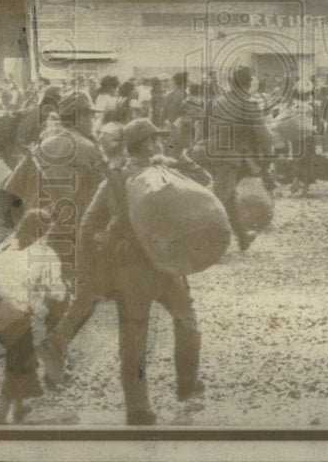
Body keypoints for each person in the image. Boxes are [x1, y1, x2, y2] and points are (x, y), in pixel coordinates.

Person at [40, 118, 207, 425]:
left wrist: (93, 265)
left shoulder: (114, 179)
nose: (160, 144)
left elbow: (88, 225)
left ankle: (138, 409)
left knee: (134, 338)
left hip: (130, 270)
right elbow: (205, 182)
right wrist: (180, 160)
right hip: (164, 264)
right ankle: (186, 384)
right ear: (148, 144)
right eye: (157, 140)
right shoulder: (167, 172)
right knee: (187, 322)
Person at [192, 67, 274, 252]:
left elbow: (199, 127)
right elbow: (264, 137)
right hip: (227, 157)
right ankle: (206, 244)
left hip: (204, 152)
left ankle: (243, 236)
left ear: (230, 83)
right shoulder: (249, 105)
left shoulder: (214, 101)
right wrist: (269, 153)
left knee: (228, 195)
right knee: (219, 199)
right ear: (249, 84)